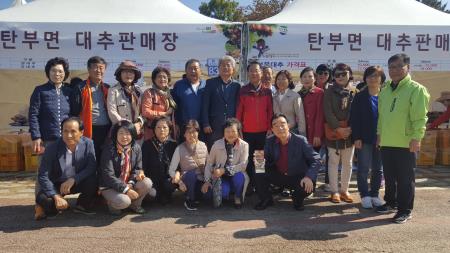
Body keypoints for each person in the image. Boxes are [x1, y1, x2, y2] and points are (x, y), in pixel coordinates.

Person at [377, 54, 430, 224]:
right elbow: (381, 117)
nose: (395, 70)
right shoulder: (385, 90)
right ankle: (391, 202)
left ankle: (405, 210)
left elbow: (420, 118)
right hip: (387, 141)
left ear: (408, 67)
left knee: (405, 179)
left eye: (399, 66)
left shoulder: (416, 89)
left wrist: (417, 138)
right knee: (390, 176)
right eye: (391, 67)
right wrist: (379, 135)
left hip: (406, 142)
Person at [254, 114, 321, 211]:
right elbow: (265, 159)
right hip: (280, 175)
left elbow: (317, 159)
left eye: (282, 124)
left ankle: (297, 199)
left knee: (308, 186)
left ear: (288, 126)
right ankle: (266, 199)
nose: (279, 128)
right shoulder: (270, 140)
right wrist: (259, 159)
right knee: (257, 169)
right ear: (272, 129)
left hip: (298, 176)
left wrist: (309, 176)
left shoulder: (300, 140)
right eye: (275, 126)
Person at [34, 117, 97, 220]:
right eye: (65, 131)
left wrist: (74, 179)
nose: (68, 135)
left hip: (76, 181)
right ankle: (55, 208)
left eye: (73, 131)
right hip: (57, 183)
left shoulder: (88, 143)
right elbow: (43, 175)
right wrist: (55, 196)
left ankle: (82, 205)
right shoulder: (52, 148)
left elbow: (91, 167)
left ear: (81, 132)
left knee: (93, 180)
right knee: (43, 198)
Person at [350, 66, 386, 209]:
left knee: (378, 169)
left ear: (381, 79)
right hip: (364, 138)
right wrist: (356, 137)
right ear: (365, 78)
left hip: (382, 137)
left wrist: (382, 136)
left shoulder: (386, 95)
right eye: (370, 76)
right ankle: (364, 194)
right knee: (363, 168)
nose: (372, 79)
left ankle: (374, 194)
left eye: (376, 76)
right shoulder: (359, 96)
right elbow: (354, 118)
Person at [99, 120, 153, 215]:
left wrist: (136, 177)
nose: (124, 137)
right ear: (116, 134)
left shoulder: (136, 148)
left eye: (128, 133)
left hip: (128, 182)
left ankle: (135, 205)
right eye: (121, 133)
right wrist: (126, 189)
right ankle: (111, 203)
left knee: (147, 182)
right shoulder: (108, 149)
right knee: (124, 201)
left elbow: (137, 168)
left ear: (132, 134)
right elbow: (108, 176)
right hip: (110, 186)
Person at [237, 61, 273, 195]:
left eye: (256, 70)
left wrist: (269, 128)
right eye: (251, 71)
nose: (254, 73)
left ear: (261, 73)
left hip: (263, 133)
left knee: (259, 160)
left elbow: (270, 111)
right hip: (247, 133)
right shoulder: (243, 91)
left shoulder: (267, 91)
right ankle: (249, 185)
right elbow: (239, 112)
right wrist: (239, 129)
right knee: (246, 160)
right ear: (248, 73)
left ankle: (260, 185)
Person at [323, 63, 356, 204]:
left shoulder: (354, 92)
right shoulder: (329, 91)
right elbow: (327, 112)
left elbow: (356, 113)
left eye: (344, 73)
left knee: (348, 163)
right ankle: (334, 191)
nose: (341, 77)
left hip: (349, 133)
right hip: (333, 132)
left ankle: (345, 190)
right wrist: (338, 128)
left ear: (349, 74)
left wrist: (349, 129)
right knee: (333, 163)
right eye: (337, 74)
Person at [71, 56, 111, 167]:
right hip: (88, 128)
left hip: (105, 129)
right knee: (88, 158)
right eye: (95, 67)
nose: (98, 70)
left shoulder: (108, 88)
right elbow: (74, 111)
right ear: (88, 69)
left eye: (101, 68)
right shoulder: (80, 87)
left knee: (104, 158)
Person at [202, 118, 249, 209]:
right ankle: (227, 192)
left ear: (238, 132)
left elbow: (243, 165)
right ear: (223, 132)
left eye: (233, 131)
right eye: (227, 131)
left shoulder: (244, 145)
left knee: (239, 177)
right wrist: (207, 181)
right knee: (223, 193)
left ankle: (237, 196)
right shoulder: (216, 144)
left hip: (236, 174)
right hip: (221, 177)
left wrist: (224, 170)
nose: (230, 134)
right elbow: (209, 163)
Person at [29, 57, 73, 154]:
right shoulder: (40, 90)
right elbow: (33, 115)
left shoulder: (69, 92)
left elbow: (74, 115)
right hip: (46, 140)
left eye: (60, 71)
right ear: (48, 72)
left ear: (65, 73)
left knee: (66, 168)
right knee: (46, 168)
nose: (57, 74)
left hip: (67, 139)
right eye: (53, 71)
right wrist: (36, 136)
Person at [202, 56, 241, 149]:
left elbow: (238, 106)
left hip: (231, 127)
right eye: (222, 65)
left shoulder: (237, 85)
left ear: (233, 69)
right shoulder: (210, 83)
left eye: (228, 65)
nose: (225, 68)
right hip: (214, 125)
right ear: (218, 68)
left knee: (231, 150)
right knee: (214, 150)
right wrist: (205, 123)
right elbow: (205, 105)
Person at [168, 120, 208, 211]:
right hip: (188, 180)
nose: (192, 135)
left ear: (198, 132)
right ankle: (189, 199)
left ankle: (197, 196)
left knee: (209, 195)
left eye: (194, 132)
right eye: (188, 132)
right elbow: (171, 170)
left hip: (201, 179)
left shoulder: (204, 146)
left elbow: (208, 166)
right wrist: (180, 183)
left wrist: (207, 182)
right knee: (191, 175)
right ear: (184, 134)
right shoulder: (179, 148)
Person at [141, 116, 178, 205]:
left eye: (165, 127)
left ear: (169, 129)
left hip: (168, 178)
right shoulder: (147, 144)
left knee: (168, 186)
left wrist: (177, 174)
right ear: (154, 129)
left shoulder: (173, 144)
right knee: (152, 196)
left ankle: (166, 194)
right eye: (158, 127)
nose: (161, 130)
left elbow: (178, 165)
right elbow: (143, 164)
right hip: (152, 178)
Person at [107, 60, 144, 137]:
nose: (128, 74)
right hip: (121, 130)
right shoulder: (113, 90)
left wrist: (139, 123)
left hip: (138, 131)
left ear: (135, 75)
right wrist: (126, 126)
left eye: (131, 72)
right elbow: (112, 112)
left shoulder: (139, 91)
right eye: (125, 72)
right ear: (119, 74)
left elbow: (143, 111)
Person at [171, 59, 206, 141]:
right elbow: (174, 106)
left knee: (200, 151)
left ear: (200, 70)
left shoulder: (206, 85)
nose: (193, 71)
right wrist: (175, 124)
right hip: (184, 127)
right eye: (190, 68)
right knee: (184, 151)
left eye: (195, 68)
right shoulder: (179, 85)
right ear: (186, 71)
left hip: (202, 128)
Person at [141, 67, 177, 141]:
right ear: (154, 79)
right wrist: (164, 113)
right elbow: (145, 112)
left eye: (164, 77)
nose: (162, 79)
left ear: (168, 79)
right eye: (159, 77)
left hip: (168, 131)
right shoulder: (149, 93)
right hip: (152, 131)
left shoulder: (170, 94)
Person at [298, 67, 324, 151]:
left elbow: (320, 115)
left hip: (314, 134)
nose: (307, 79)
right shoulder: (298, 94)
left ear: (315, 78)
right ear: (301, 79)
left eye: (310, 76)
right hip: (301, 133)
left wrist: (317, 134)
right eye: (304, 77)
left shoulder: (319, 92)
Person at [315, 64, 332, 192]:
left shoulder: (332, 89)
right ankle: (312, 181)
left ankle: (328, 182)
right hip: (315, 128)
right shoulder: (311, 89)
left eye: (325, 73)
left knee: (330, 157)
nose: (322, 75)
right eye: (320, 73)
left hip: (330, 128)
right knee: (313, 156)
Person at [272, 70, 306, 135]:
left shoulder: (295, 96)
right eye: (278, 79)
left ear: (289, 81)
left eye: (283, 79)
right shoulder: (274, 96)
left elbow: (300, 117)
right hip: (277, 132)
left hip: (291, 131)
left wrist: (302, 134)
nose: (281, 81)